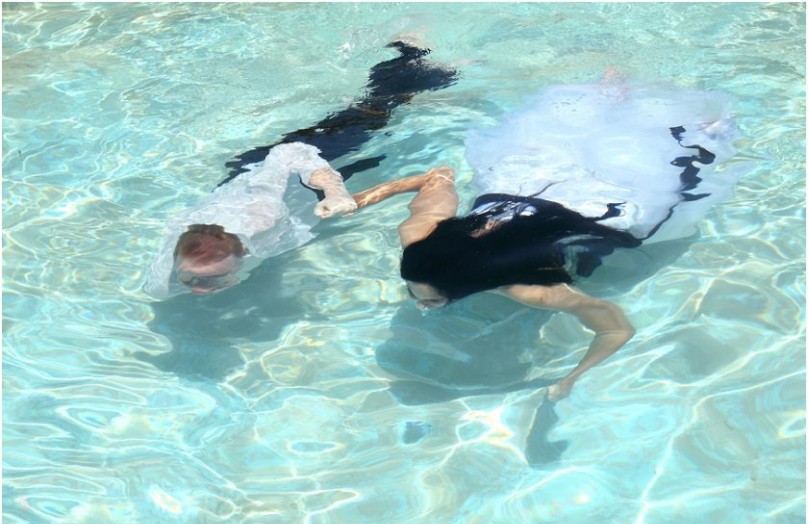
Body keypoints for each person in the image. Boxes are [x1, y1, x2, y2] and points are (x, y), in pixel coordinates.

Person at [325, 71, 742, 402]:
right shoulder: (418, 235)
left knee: (695, 149)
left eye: (429, 299)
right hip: (526, 180)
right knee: (593, 117)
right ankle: (616, 86)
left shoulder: (533, 292)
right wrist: (357, 200)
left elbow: (616, 330)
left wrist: (570, 378)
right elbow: (437, 177)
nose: (419, 305)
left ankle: (705, 125)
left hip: (605, 206)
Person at [144, 41, 457, 299]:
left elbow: (288, 154)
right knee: (369, 139)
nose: (198, 289)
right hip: (275, 186)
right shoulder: (177, 249)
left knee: (372, 116)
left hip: (291, 167)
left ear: (242, 252)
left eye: (210, 280)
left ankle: (420, 61)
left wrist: (334, 191)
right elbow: (157, 286)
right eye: (189, 278)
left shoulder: (260, 216)